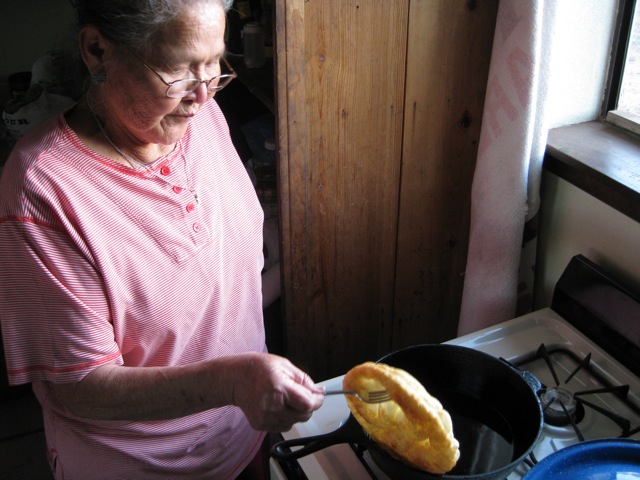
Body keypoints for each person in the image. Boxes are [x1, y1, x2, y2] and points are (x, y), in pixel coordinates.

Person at [0, 1, 325, 478]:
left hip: (242, 436)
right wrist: (233, 383)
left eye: (215, 61)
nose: (204, 92)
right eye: (177, 69)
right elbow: (79, 385)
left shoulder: (200, 119)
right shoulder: (43, 190)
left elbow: (217, 291)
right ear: (97, 51)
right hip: (144, 466)